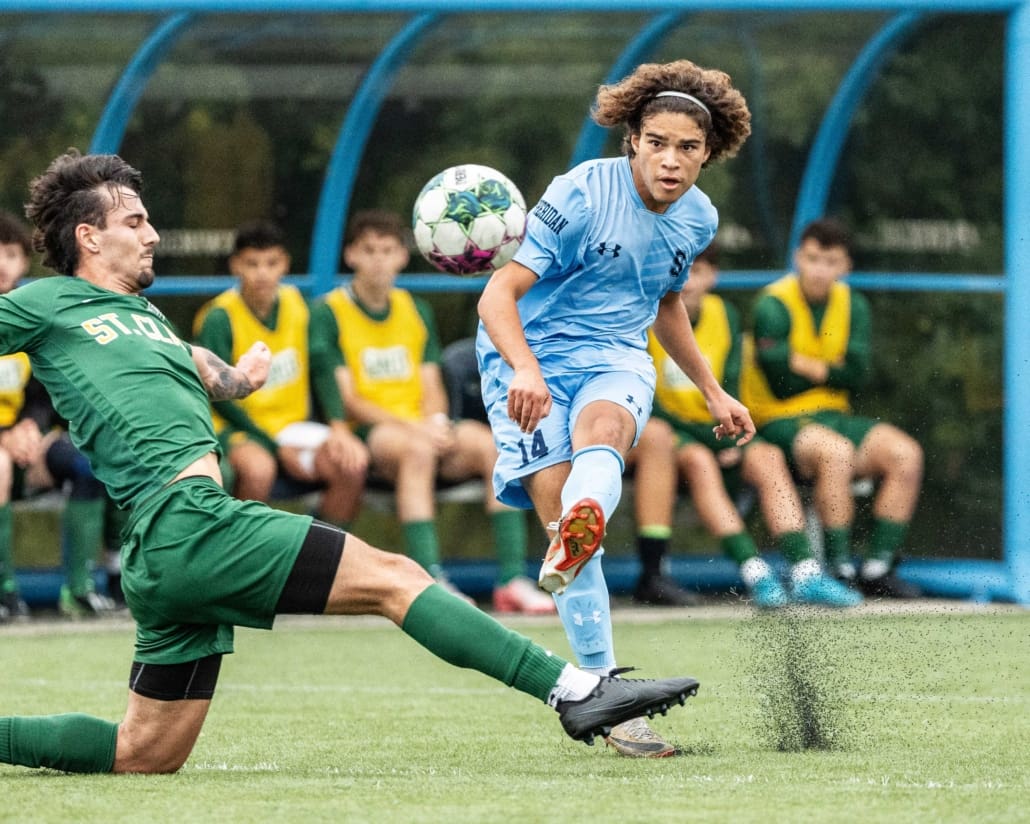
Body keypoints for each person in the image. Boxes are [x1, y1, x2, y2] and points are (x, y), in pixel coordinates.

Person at [0, 150, 701, 775]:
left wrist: (238, 379)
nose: (152, 234)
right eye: (135, 222)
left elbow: (190, 361)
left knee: (143, 754)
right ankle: (578, 690)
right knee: (396, 578)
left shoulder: (142, 317)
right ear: (89, 236)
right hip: (190, 524)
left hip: (170, 553)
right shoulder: (47, 303)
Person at [476, 60, 754, 757]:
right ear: (632, 139)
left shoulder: (698, 218)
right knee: (568, 537)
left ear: (708, 152)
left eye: (688, 148)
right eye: (657, 142)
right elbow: (496, 296)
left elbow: (666, 305)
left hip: (615, 354)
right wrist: (528, 371)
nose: (671, 159)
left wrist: (713, 390)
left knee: (604, 436)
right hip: (525, 356)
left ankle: (583, 518)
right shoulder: (580, 195)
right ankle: (610, 699)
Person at [309, 210, 554, 615]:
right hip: (374, 432)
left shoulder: (414, 308)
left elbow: (431, 384)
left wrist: (437, 422)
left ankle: (512, 581)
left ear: (402, 257)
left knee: (495, 445)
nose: (378, 261)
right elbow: (348, 399)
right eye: (368, 251)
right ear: (351, 255)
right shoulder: (329, 311)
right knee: (417, 451)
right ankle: (429, 581)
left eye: (387, 251)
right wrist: (417, 429)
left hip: (423, 426)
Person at [628, 243, 862, 609]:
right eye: (681, 271)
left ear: (712, 277)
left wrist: (729, 440)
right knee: (701, 462)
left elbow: (731, 387)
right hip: (674, 435)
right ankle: (756, 573)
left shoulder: (725, 315)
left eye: (698, 271)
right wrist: (712, 442)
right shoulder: (643, 317)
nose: (687, 281)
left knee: (766, 457)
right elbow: (648, 402)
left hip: (719, 434)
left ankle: (805, 572)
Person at [740, 217, 923, 598]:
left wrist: (804, 363)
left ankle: (877, 568)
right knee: (835, 453)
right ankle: (838, 568)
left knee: (906, 454)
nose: (820, 270)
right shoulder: (773, 305)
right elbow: (782, 384)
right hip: (777, 420)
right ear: (797, 258)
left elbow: (857, 374)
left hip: (833, 416)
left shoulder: (853, 304)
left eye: (830, 261)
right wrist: (829, 369)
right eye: (812, 259)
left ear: (845, 266)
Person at [193, 220, 368, 531]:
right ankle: (244, 560)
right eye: (252, 263)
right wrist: (274, 447)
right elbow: (217, 396)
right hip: (234, 427)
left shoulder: (297, 304)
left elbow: (322, 366)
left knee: (351, 463)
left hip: (292, 427)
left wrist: (339, 427)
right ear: (236, 265)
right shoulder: (219, 317)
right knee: (259, 469)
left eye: (271, 263)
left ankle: (319, 561)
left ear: (285, 264)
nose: (262, 273)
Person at [0, 211, 116, 622]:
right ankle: (6, 592)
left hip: (24, 443)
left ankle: (81, 589)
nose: (2, 264)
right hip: (2, 450)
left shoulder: (32, 314)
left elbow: (43, 394)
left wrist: (31, 425)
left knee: (88, 461)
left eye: (11, 254)